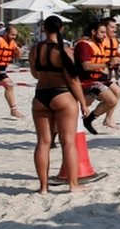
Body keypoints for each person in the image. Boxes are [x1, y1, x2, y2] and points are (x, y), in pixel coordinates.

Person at [29, 15, 89, 193]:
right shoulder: (64, 50)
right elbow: (73, 81)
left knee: (43, 143)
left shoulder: (34, 49)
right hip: (62, 94)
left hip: (40, 96)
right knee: (68, 142)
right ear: (61, 28)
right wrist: (83, 103)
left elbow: (35, 74)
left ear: (44, 29)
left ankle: (43, 187)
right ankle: (73, 185)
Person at [75, 21, 119, 134]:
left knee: (113, 99)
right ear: (93, 32)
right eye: (102, 32)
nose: (105, 35)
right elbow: (86, 66)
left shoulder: (98, 45)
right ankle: (85, 120)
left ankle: (88, 120)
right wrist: (107, 64)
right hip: (85, 80)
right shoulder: (83, 45)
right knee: (83, 105)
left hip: (96, 78)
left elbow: (101, 61)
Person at [96, 17, 120, 127]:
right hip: (94, 73)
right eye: (112, 27)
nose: (114, 30)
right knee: (87, 101)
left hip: (103, 74)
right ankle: (86, 118)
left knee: (118, 93)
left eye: (115, 28)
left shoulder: (114, 41)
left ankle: (108, 119)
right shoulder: (99, 41)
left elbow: (112, 55)